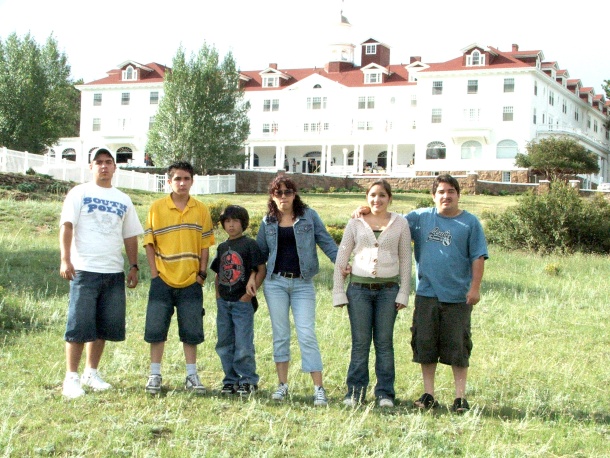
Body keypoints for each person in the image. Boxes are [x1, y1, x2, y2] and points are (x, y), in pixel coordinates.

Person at [59, 147, 143, 399]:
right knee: (78, 324)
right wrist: (65, 259)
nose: (104, 166)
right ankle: (71, 378)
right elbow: (67, 226)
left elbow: (130, 235)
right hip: (84, 269)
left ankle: (91, 373)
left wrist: (133, 265)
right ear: (91, 167)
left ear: (115, 167)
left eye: (109, 162)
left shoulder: (123, 199)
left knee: (103, 326)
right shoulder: (79, 193)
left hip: (113, 272)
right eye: (99, 162)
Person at [407, 174, 488, 413]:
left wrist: (475, 288)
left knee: (459, 347)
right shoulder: (420, 218)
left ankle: (460, 398)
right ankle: (429, 394)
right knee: (425, 345)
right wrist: (364, 210)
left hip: (458, 297)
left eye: (451, 191)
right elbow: (389, 221)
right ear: (433, 196)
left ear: (458, 195)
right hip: (427, 294)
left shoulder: (470, 223)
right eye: (441, 192)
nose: (446, 196)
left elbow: (478, 256)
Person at [256, 175, 337, 406]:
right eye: (278, 192)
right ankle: (282, 385)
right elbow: (260, 254)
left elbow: (326, 242)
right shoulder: (267, 221)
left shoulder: (309, 217)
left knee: (306, 333)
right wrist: (253, 278)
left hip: (302, 283)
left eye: (288, 192)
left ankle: (318, 388)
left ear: (295, 194)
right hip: (275, 283)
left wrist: (342, 263)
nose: (283, 196)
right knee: (280, 334)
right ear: (272, 195)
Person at [333, 180, 411, 408]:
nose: (377, 200)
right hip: (358, 291)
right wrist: (339, 291)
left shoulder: (400, 223)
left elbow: (406, 259)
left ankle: (385, 393)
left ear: (390, 198)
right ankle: (355, 393)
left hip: (388, 291)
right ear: (367, 198)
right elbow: (342, 256)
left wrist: (403, 292)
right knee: (360, 343)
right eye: (373, 195)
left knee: (384, 343)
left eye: (382, 196)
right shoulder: (356, 223)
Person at [143, 161, 215, 395]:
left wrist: (202, 274)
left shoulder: (201, 209)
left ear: (192, 181)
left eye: (186, 178)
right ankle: (154, 375)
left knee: (191, 332)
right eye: (177, 179)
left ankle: (191, 375)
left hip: (191, 281)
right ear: (169, 181)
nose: (182, 183)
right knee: (156, 330)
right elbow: (149, 244)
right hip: (162, 280)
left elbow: (205, 245)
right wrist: (155, 275)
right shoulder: (156, 208)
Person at [210, 205, 266, 396]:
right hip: (224, 302)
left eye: (235, 221)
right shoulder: (222, 247)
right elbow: (218, 273)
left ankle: (248, 380)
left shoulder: (249, 244)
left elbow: (261, 269)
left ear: (243, 223)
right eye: (227, 221)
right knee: (224, 343)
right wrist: (218, 295)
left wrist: (249, 295)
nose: (231, 225)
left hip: (242, 303)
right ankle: (230, 380)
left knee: (243, 344)